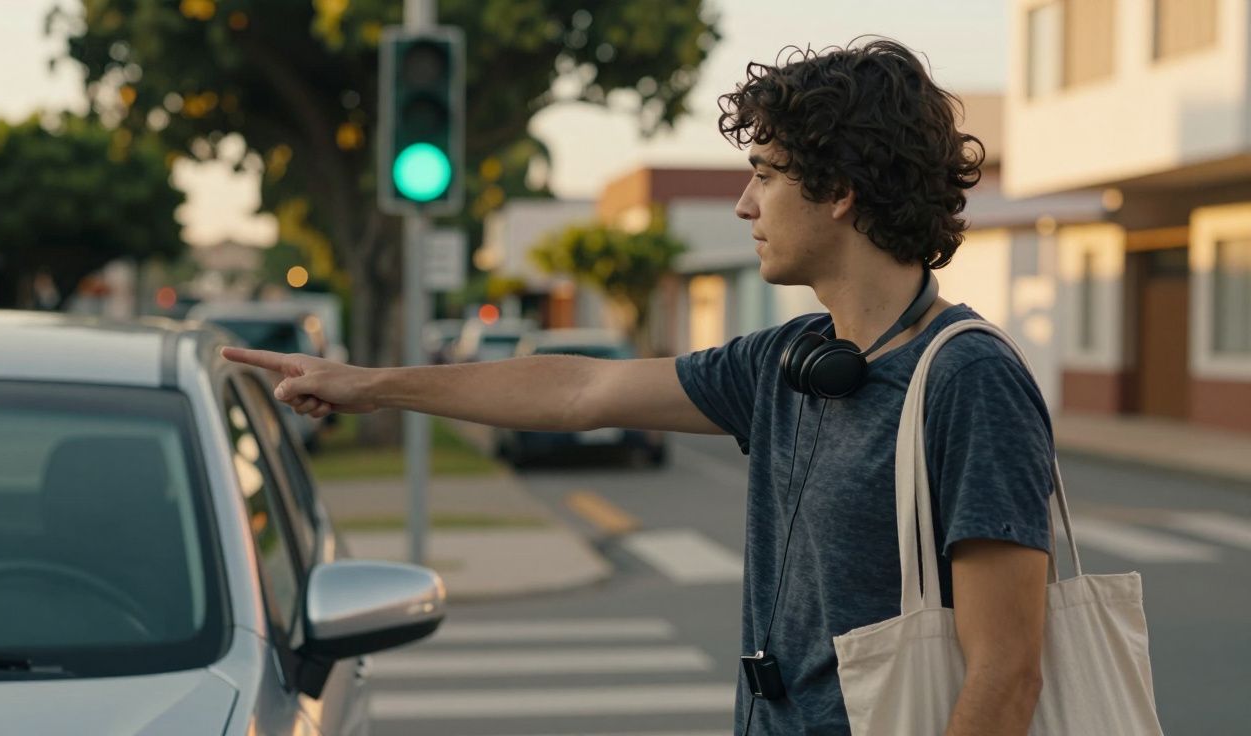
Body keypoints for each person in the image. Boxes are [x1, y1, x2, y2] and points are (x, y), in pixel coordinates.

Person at [223, 37, 1054, 736]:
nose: (742, 204)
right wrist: (374, 386)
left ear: (840, 192)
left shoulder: (967, 380)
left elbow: (1006, 674)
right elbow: (578, 393)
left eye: (764, 174)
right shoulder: (786, 361)